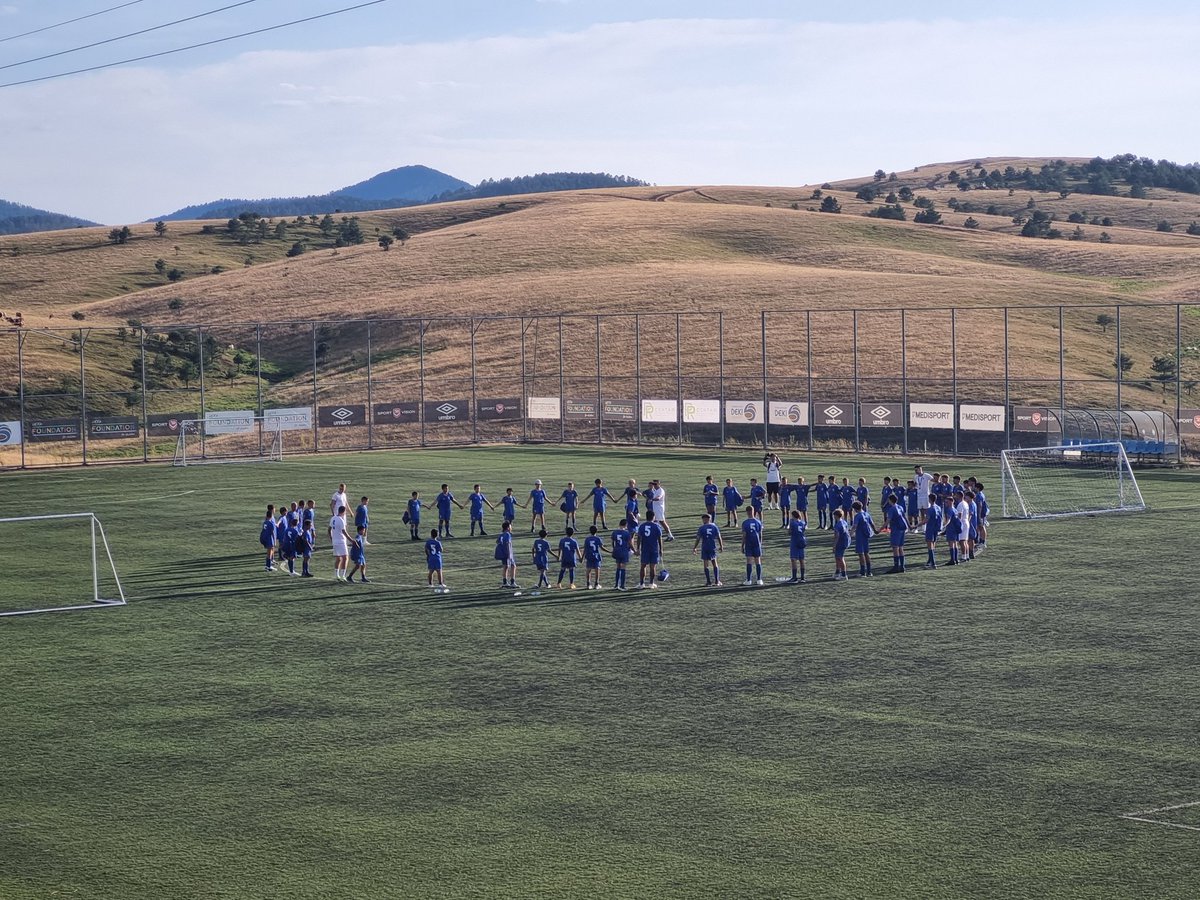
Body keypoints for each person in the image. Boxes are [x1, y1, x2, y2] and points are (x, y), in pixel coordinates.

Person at [692, 513, 724, 587]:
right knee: (714, 563)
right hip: (712, 547)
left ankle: (709, 582)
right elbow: (719, 537)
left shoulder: (701, 528)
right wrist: (721, 546)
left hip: (705, 547)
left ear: (706, 519)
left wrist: (695, 547)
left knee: (706, 565)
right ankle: (717, 581)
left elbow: (698, 539)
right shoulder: (714, 527)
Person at [635, 509, 664, 588]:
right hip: (654, 549)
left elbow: (639, 538)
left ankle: (641, 583)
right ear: (653, 517)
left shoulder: (642, 526)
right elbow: (659, 538)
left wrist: (638, 548)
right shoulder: (656, 526)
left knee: (643, 566)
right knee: (652, 566)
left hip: (645, 549)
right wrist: (661, 549)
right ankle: (651, 583)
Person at [884, 495, 908, 573]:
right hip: (902, 528)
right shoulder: (900, 507)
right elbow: (904, 517)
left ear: (890, 500)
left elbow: (888, 520)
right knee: (901, 547)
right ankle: (902, 566)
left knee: (895, 547)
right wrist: (909, 526)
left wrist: (881, 529)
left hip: (896, 529)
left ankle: (896, 566)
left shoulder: (891, 509)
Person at [851, 500, 876, 577]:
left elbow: (855, 526)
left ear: (855, 509)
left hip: (860, 536)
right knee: (866, 553)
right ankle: (869, 571)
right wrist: (875, 531)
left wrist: (850, 534)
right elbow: (872, 523)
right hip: (866, 536)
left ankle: (862, 572)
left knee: (861, 554)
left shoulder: (857, 516)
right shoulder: (866, 514)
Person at [740, 505, 764, 586]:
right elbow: (760, 534)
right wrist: (760, 543)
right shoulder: (758, 522)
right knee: (758, 561)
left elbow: (744, 535)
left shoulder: (745, 523)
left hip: (749, 543)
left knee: (749, 561)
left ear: (747, 512)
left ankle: (749, 580)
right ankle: (759, 580)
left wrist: (742, 545)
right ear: (753, 511)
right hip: (757, 543)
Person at [329, 503, 351, 581]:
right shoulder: (341, 520)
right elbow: (344, 531)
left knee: (338, 558)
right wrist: (351, 540)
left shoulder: (333, 518)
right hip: (341, 541)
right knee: (345, 557)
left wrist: (331, 538)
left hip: (335, 541)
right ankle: (343, 576)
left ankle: (336, 575)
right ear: (343, 512)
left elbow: (329, 530)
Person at [609, 518, 633, 590]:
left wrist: (614, 548)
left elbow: (613, 542)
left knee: (618, 567)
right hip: (624, 551)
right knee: (623, 568)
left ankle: (616, 584)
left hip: (617, 550)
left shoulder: (615, 532)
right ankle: (622, 585)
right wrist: (634, 550)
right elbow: (630, 543)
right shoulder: (627, 533)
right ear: (626, 525)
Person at [923, 492, 943, 569]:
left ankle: (933, 563)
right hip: (936, 528)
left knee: (930, 545)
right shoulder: (938, 507)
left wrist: (916, 525)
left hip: (930, 528)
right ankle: (930, 561)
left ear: (929, 499)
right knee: (933, 544)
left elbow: (926, 520)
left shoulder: (930, 509)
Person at [494, 520, 517, 588]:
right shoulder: (507, 534)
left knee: (505, 567)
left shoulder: (502, 534)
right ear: (507, 527)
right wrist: (509, 554)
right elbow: (508, 543)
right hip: (508, 553)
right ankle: (512, 582)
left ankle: (505, 582)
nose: (511, 528)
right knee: (513, 566)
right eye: (510, 526)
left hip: (503, 553)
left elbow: (497, 541)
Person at [787, 509, 807, 583]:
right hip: (802, 540)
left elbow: (789, 532)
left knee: (794, 559)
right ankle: (802, 577)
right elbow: (803, 530)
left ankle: (794, 578)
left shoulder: (792, 523)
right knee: (802, 559)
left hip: (795, 541)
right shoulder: (803, 522)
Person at [583, 526, 604, 590]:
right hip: (596, 555)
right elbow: (601, 547)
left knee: (588, 569)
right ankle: (596, 584)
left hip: (589, 555)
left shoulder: (587, 539)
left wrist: (582, 557)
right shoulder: (598, 539)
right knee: (597, 569)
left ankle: (588, 584)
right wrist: (609, 551)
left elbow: (585, 549)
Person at [832, 508, 850, 580]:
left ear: (836, 516)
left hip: (841, 542)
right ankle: (837, 572)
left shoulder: (838, 525)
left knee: (840, 558)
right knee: (837, 557)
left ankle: (844, 574)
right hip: (845, 541)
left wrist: (834, 546)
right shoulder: (844, 522)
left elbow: (837, 536)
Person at [260, 504, 278, 572]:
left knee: (269, 552)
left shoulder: (265, 522)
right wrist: (274, 541)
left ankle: (268, 565)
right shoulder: (271, 523)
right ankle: (268, 566)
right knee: (269, 553)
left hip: (265, 538)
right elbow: (272, 532)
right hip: (270, 539)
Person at [974, 481, 989, 549]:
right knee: (980, 528)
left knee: (982, 527)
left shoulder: (979, 495)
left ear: (978, 488)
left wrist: (979, 516)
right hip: (981, 514)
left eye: (975, 487)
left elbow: (979, 506)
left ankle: (983, 542)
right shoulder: (980, 494)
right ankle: (981, 541)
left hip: (981, 514)